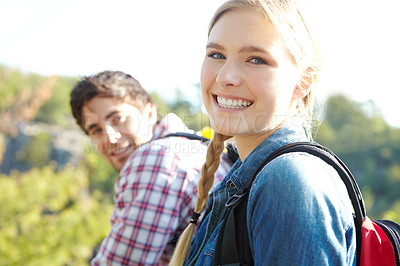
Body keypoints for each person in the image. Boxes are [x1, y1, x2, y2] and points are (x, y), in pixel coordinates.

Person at [170, 0, 357, 265]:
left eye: (256, 60)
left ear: (304, 81)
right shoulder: (244, 178)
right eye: (216, 54)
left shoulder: (288, 181)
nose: (226, 77)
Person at [70, 70, 232, 265]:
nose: (110, 138)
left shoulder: (156, 157)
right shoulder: (195, 146)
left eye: (118, 119)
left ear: (149, 113)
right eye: (96, 130)